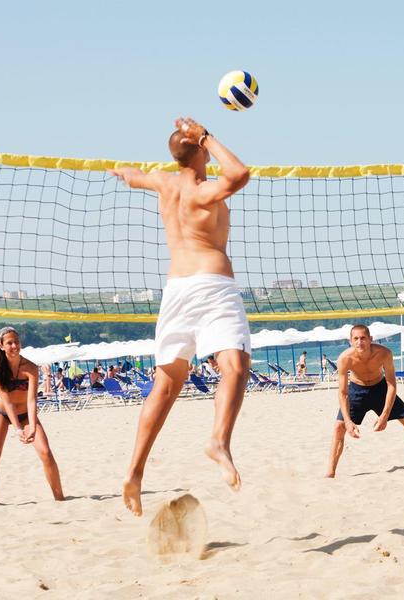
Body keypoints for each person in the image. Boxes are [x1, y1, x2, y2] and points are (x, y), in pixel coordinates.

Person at [109, 115, 251, 515]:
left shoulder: (163, 182)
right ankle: (219, 441)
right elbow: (240, 173)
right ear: (201, 151)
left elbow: (134, 176)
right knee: (235, 366)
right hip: (211, 285)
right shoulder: (203, 190)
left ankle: (134, 474)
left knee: (165, 386)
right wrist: (206, 134)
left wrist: (122, 172)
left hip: (175, 290)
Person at [325, 324, 404, 478]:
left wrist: (384, 415)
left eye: (363, 338)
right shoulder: (345, 359)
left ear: (370, 339)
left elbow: (391, 384)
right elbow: (343, 393)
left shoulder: (384, 353)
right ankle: (330, 472)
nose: (359, 342)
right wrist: (348, 422)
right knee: (339, 427)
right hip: (357, 390)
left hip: (380, 388)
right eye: (355, 339)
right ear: (350, 341)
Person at [0, 326, 64, 505]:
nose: (14, 345)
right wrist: (18, 430)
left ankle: (60, 498)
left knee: (46, 453)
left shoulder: (30, 367)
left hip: (26, 413)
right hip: (3, 413)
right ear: (1, 346)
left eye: (16, 342)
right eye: (9, 343)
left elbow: (32, 400)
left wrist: (32, 426)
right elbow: (7, 402)